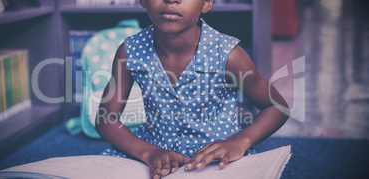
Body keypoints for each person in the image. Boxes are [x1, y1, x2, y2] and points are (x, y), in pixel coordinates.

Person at [95, 0, 289, 178]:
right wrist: (148, 152)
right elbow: (106, 119)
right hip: (152, 152)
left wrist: (241, 141)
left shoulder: (229, 54)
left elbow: (277, 107)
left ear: (206, 3)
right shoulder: (130, 51)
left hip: (217, 158)